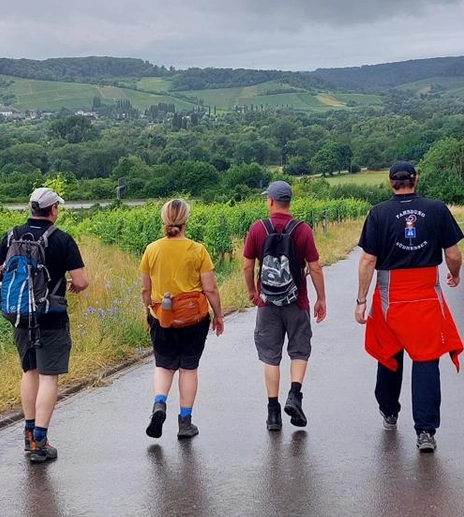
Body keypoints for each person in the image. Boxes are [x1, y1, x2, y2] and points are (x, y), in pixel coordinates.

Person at [354, 162, 464, 454]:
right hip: (426, 295)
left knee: (389, 353)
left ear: (390, 182)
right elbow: (453, 254)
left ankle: (389, 411)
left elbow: (367, 260)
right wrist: (454, 274)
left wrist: (361, 300)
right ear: (416, 179)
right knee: (426, 359)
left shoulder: (378, 213)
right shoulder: (437, 209)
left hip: (390, 296)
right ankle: (426, 432)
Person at [0, 187, 88, 464]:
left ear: (31, 209)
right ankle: (41, 441)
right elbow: (81, 281)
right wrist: (73, 286)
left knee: (30, 371)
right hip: (51, 315)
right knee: (49, 376)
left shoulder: (11, 236)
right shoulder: (62, 239)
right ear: (53, 210)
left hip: (20, 315)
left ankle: (29, 436)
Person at [241, 180, 327, 431]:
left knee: (271, 356)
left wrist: (252, 291)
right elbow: (315, 267)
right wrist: (321, 298)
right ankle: (295, 394)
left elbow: (248, 265)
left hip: (267, 302)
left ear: (270, 200)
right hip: (296, 300)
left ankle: (273, 414)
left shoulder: (258, 229)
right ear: (289, 201)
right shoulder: (303, 230)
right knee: (299, 350)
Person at [139, 198, 225, 440]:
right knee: (188, 368)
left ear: (164, 220)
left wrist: (148, 311)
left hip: (162, 316)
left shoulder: (152, 249)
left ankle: (159, 404)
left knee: (164, 365)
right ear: (186, 219)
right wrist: (218, 315)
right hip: (193, 319)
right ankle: (185, 423)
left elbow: (146, 289)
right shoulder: (197, 250)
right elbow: (210, 289)